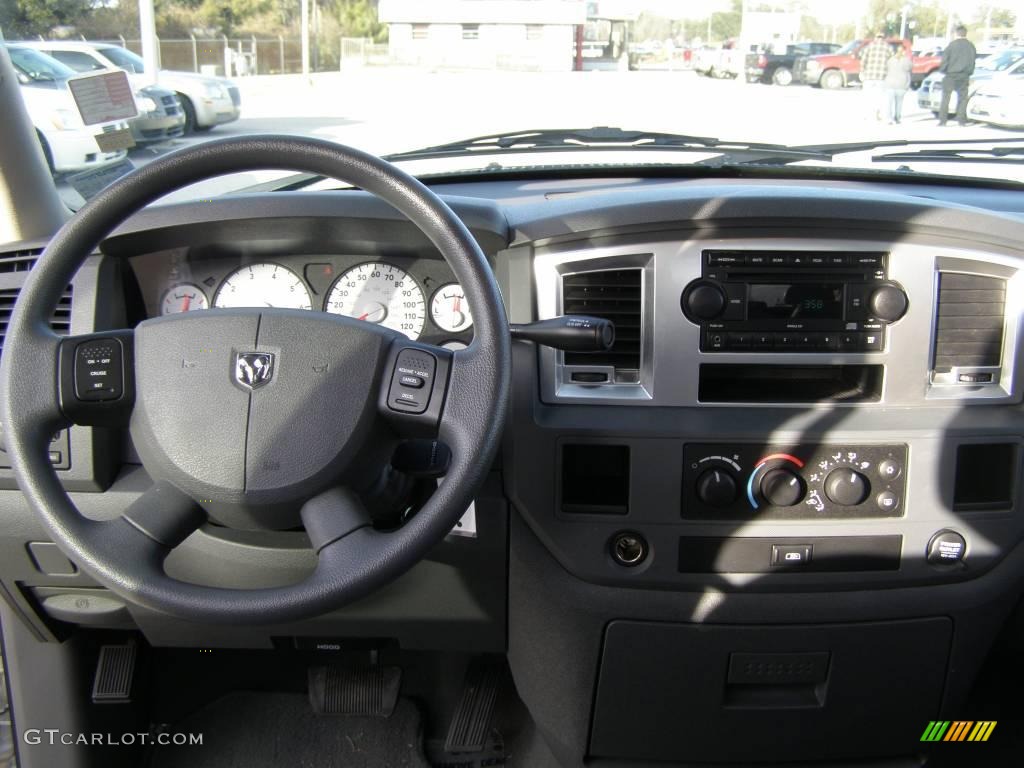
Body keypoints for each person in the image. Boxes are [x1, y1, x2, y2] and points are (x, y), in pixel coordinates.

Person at [938, 24, 976, 126]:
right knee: (963, 98)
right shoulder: (971, 46)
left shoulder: (951, 45)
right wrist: (969, 73)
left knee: (946, 98)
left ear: (956, 33)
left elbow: (944, 61)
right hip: (964, 75)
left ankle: (943, 120)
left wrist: (943, 71)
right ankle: (961, 120)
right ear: (965, 34)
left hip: (950, 75)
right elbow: (972, 62)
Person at [859, 33, 891, 121]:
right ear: (883, 38)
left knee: (868, 96)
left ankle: (867, 114)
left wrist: (862, 72)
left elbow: (863, 60)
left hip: (869, 76)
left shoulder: (869, 46)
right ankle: (877, 114)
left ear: (875, 38)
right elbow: (891, 61)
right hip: (882, 76)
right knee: (880, 97)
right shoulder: (887, 47)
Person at [884, 44, 912, 124]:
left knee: (889, 103)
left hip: (890, 83)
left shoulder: (890, 60)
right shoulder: (906, 60)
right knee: (899, 102)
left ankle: (889, 118)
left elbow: (886, 68)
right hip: (901, 83)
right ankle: (897, 117)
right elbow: (910, 68)